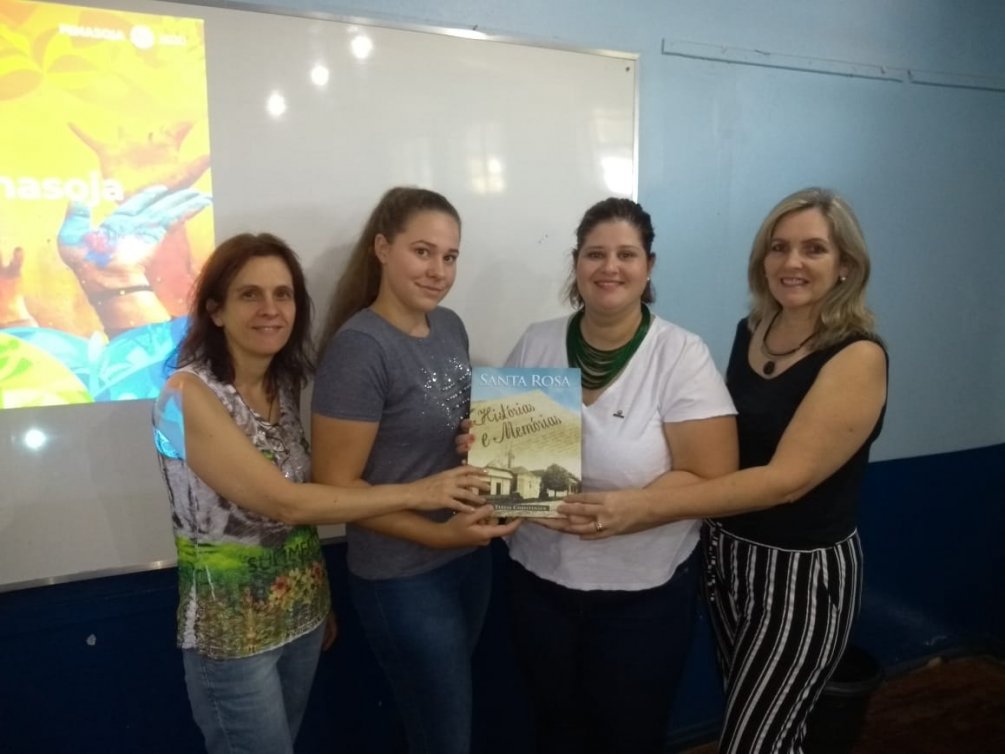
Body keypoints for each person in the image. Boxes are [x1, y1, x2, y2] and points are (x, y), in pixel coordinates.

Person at [560, 188, 888, 754]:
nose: (791, 262)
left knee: (754, 740)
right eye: (778, 247)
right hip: (726, 558)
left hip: (798, 574)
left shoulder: (857, 356)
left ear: (846, 266)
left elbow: (786, 481)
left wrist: (643, 504)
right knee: (761, 724)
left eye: (814, 249)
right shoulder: (754, 330)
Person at [152, 232, 489, 754]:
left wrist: (319, 599)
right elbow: (288, 503)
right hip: (232, 634)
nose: (270, 309)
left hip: (302, 617)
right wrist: (418, 492)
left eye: (282, 295)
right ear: (215, 311)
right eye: (249, 295)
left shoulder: (281, 388)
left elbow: (295, 522)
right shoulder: (184, 395)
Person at [500, 197, 738, 754]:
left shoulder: (680, 354)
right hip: (539, 583)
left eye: (626, 254)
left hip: (642, 597)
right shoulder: (538, 342)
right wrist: (489, 449)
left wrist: (635, 508)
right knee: (555, 729)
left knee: (628, 736)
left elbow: (713, 476)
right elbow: (512, 469)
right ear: (576, 264)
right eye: (595, 254)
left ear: (648, 266)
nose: (610, 267)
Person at [311, 187, 521, 754]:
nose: (438, 271)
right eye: (422, 252)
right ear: (383, 248)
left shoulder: (449, 325)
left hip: (466, 559)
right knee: (445, 736)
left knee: (438, 724)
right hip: (403, 574)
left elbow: (436, 435)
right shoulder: (360, 347)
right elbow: (335, 488)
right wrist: (438, 534)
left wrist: (480, 441)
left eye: (450, 257)